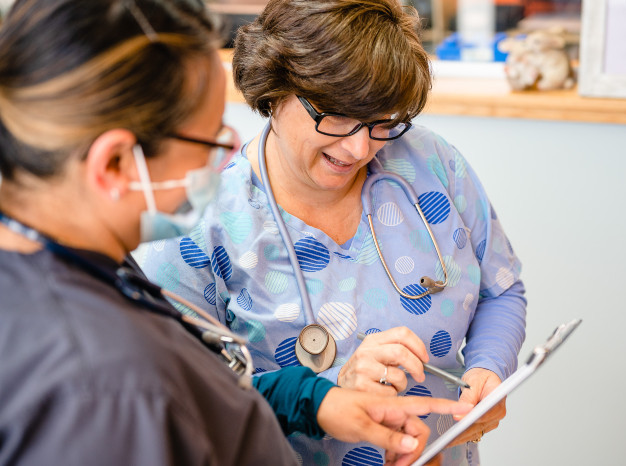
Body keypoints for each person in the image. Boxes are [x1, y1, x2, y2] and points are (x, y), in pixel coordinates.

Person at [0, 1, 470, 465]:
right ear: (117, 164)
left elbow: (197, 389)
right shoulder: (105, 386)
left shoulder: (66, 266)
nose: (227, 159)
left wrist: (311, 398)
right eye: (209, 141)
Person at [139, 0, 527, 464]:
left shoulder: (430, 163)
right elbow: (180, 401)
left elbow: (501, 289)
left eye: (381, 120)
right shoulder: (201, 225)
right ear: (273, 89)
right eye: (336, 116)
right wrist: (330, 387)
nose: (359, 147)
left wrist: (488, 368)